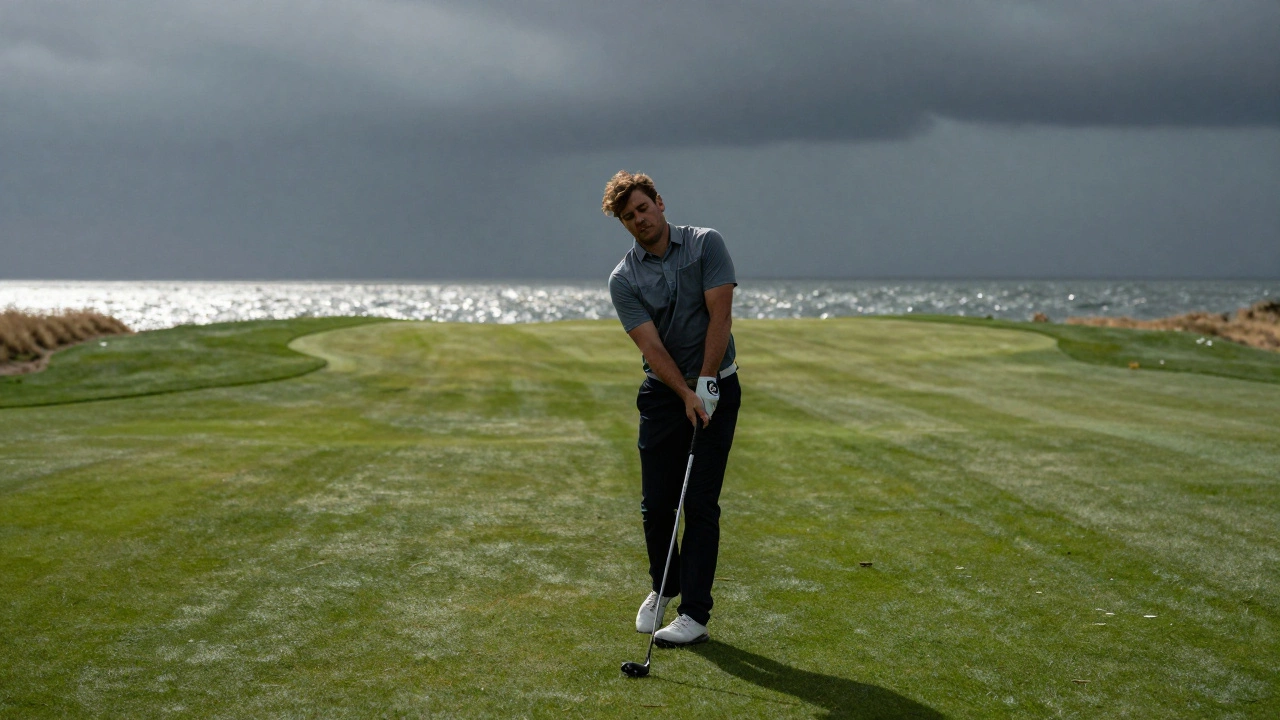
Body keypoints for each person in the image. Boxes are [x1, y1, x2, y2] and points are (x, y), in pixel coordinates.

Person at [602, 170, 741, 647]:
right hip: (663, 395)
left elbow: (719, 314)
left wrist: (705, 384)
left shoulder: (706, 244)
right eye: (628, 218)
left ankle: (694, 614)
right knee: (657, 505)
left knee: (699, 502)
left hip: (718, 386)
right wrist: (684, 393)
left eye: (642, 208)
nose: (638, 220)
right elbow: (650, 345)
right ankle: (664, 587)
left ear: (659, 203)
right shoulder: (624, 278)